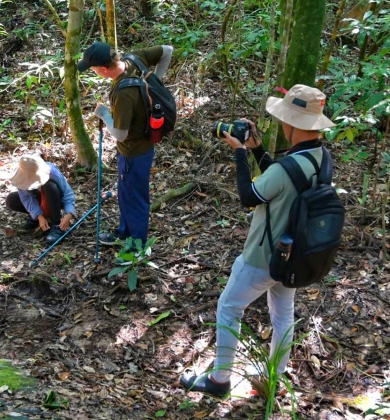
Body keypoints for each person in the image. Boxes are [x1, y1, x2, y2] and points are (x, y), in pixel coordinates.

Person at [179, 85, 334, 398]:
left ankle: (220, 380)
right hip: (294, 254)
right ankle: (273, 375)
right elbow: (284, 182)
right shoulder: (320, 156)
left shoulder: (289, 165)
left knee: (228, 308)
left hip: (263, 256)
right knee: (282, 315)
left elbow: (249, 196)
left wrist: (239, 151)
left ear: (292, 124)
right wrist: (257, 149)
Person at [77, 41, 173, 247]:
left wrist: (104, 115)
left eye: (93, 69)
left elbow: (120, 134)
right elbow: (167, 51)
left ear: (103, 69)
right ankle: (124, 233)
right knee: (126, 193)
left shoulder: (124, 93)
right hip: (137, 148)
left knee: (135, 198)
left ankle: (137, 246)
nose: (93, 72)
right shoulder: (134, 58)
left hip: (135, 152)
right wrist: (156, 82)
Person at [6, 154, 76, 245]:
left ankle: (56, 225)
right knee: (11, 200)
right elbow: (26, 198)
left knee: (49, 185)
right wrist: (38, 215)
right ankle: (37, 218)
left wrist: (69, 214)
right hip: (38, 201)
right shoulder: (21, 178)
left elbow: (68, 194)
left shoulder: (52, 172)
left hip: (54, 200)